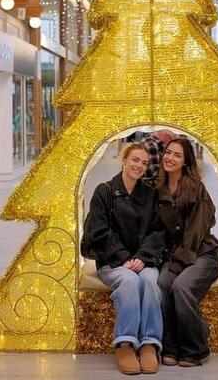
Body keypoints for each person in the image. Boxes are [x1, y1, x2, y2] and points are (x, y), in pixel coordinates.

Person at [81, 143, 165, 375]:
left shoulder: (150, 194)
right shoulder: (105, 191)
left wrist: (142, 257)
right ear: (124, 160)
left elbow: (157, 231)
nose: (139, 166)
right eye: (135, 160)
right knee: (129, 281)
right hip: (112, 261)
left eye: (144, 163)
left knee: (150, 280)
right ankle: (125, 343)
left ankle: (149, 343)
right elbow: (98, 231)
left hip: (142, 260)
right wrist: (124, 257)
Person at [156, 138, 218, 367]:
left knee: (181, 286)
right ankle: (171, 347)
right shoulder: (158, 188)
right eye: (168, 152)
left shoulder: (195, 188)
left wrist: (178, 264)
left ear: (185, 162)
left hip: (203, 253)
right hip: (174, 254)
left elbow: (195, 232)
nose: (170, 158)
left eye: (177, 155)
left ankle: (197, 348)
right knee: (162, 283)